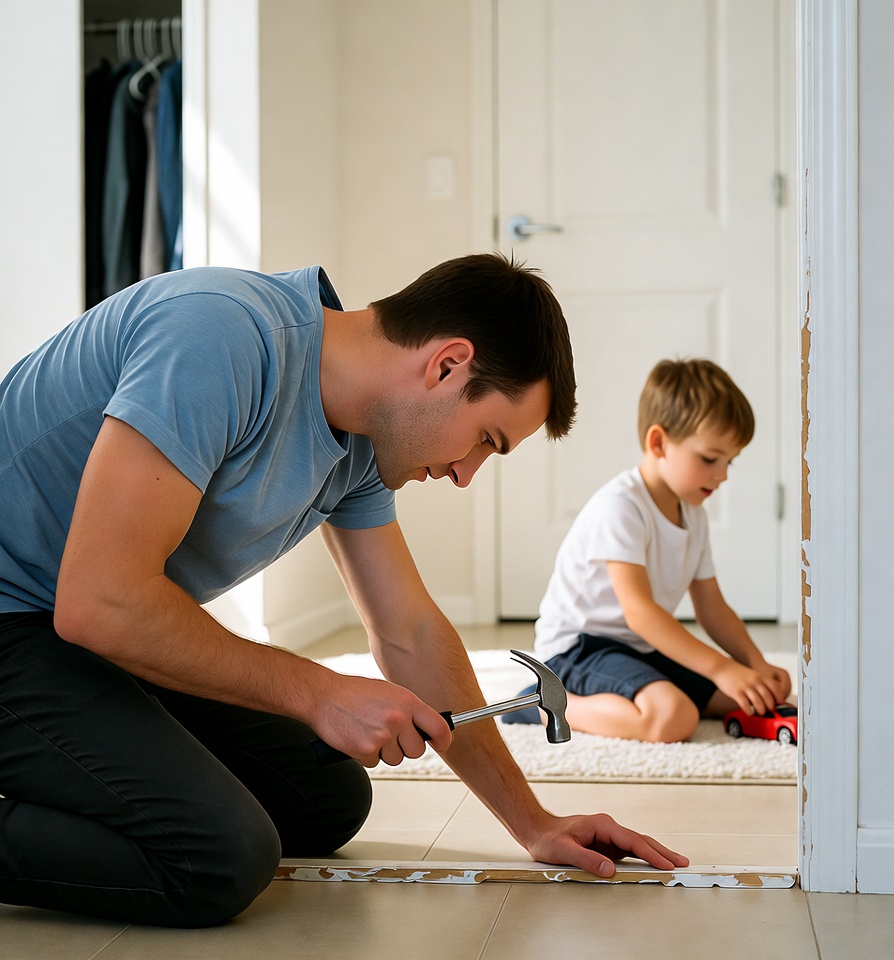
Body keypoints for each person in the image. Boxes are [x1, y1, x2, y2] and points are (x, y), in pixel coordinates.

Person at [0, 254, 688, 928]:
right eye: (484, 439)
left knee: (323, 801)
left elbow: (407, 632)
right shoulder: (217, 337)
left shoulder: (360, 438)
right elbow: (101, 602)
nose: (466, 474)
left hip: (77, 630)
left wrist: (533, 824)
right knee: (219, 855)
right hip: (22, 619)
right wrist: (318, 691)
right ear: (447, 365)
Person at [504, 358, 791, 743]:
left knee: (744, 696)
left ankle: (642, 688)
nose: (722, 475)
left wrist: (754, 664)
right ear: (658, 443)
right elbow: (640, 614)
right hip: (578, 650)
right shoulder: (621, 506)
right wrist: (722, 667)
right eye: (709, 458)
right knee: (673, 717)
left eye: (729, 461)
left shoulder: (693, 514)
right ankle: (542, 703)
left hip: (637, 649)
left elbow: (713, 608)